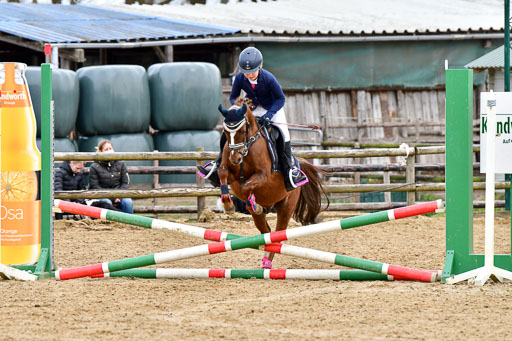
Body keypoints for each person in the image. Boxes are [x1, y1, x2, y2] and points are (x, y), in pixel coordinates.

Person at [197, 46, 307, 191]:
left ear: (259, 67)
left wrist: (268, 115)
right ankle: (217, 164)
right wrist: (238, 107)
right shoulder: (240, 78)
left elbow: (280, 99)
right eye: (246, 72)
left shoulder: (268, 78)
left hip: (272, 108)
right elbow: (233, 97)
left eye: (252, 72)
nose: (249, 75)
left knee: (283, 135)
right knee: (231, 130)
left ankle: (290, 171)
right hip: (252, 108)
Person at [89, 139, 134, 214]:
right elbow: (95, 186)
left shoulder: (121, 163)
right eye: (106, 149)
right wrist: (113, 198)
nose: (109, 151)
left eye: (110, 148)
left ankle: (130, 224)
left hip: (120, 194)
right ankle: (110, 224)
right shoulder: (94, 167)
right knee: (106, 203)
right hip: (103, 196)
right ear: (100, 151)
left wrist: (119, 196)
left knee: (128, 202)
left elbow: (125, 183)